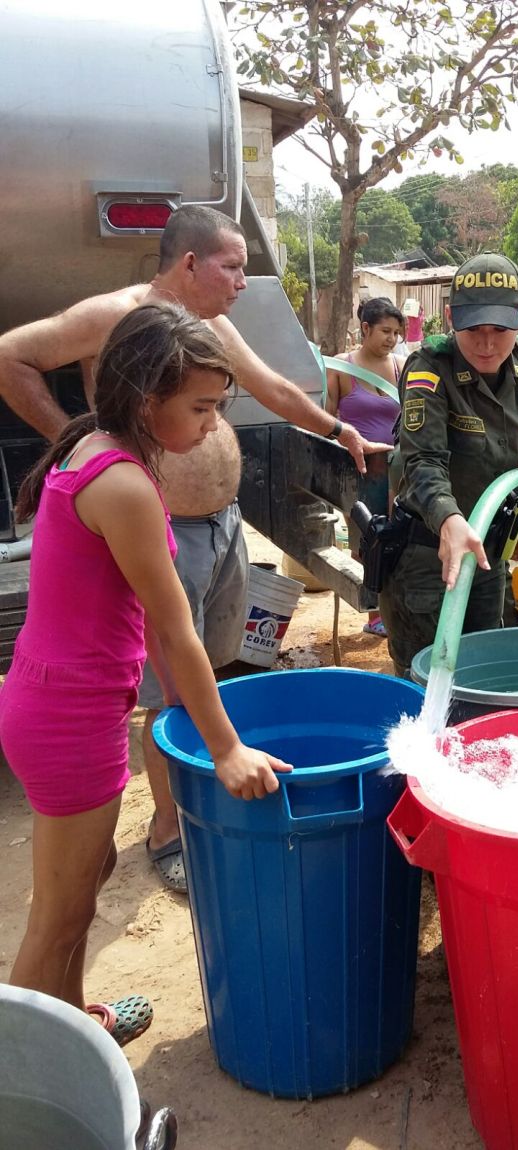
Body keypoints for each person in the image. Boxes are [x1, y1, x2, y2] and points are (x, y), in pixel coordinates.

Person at [0, 205, 386, 893]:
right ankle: (168, 827)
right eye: (233, 265)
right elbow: (10, 355)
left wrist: (338, 430)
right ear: (188, 264)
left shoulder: (210, 327)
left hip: (219, 523)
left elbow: (270, 388)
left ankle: (204, 803)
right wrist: (79, 441)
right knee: (169, 684)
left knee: (211, 667)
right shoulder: (116, 317)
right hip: (158, 532)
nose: (243, 280)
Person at [0, 304, 291, 1046]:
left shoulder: (95, 446)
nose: (208, 425)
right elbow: (173, 629)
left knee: (87, 884)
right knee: (57, 919)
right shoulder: (124, 485)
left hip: (53, 700)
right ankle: (26, 1081)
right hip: (70, 719)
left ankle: (74, 1027)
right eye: (199, 408)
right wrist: (226, 747)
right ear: (145, 397)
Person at [378, 253, 518, 678]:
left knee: (488, 672)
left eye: (500, 331)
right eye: (473, 330)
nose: (487, 345)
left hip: (490, 550)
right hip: (429, 555)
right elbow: (423, 460)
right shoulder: (430, 369)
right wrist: (449, 520)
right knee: (426, 680)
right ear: (451, 318)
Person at [326, 297, 404, 637]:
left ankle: (394, 606)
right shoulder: (341, 368)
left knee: (400, 538)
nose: (391, 338)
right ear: (366, 328)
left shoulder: (402, 368)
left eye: (397, 333)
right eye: (385, 331)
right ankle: (375, 612)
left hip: (398, 471)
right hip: (358, 471)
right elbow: (326, 419)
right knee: (367, 540)